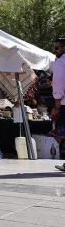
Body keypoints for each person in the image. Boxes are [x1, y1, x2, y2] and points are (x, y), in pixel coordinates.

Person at [50, 38, 65, 172]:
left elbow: (59, 82)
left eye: (57, 48)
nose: (54, 51)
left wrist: (57, 99)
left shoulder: (60, 62)